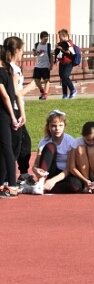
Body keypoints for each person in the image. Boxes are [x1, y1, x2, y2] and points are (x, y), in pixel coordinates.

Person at [24, 109, 77, 194]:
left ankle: (36, 188)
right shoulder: (44, 141)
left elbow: (69, 168)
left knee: (75, 185)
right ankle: (41, 183)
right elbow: (35, 165)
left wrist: (53, 181)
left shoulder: (70, 141)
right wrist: (36, 171)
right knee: (50, 146)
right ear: (48, 126)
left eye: (60, 125)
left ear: (65, 126)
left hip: (64, 174)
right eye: (54, 126)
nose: (57, 129)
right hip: (48, 173)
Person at [5, 37, 34, 182]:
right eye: (21, 50)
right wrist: (31, 86)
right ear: (16, 51)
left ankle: (23, 172)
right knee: (14, 146)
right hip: (14, 110)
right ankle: (6, 178)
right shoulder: (12, 69)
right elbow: (16, 93)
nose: (23, 53)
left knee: (25, 142)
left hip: (14, 109)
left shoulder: (9, 67)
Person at [0, 41, 20, 196]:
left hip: (3, 115)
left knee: (6, 148)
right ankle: (2, 182)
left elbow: (6, 96)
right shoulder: (8, 71)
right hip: (7, 114)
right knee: (3, 149)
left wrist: (13, 117)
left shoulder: (2, 73)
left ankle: (12, 183)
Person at [67, 121, 94, 193]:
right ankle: (87, 185)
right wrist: (85, 180)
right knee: (80, 149)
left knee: (92, 149)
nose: (91, 142)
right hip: (83, 174)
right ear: (83, 136)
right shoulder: (76, 143)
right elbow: (72, 167)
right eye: (88, 140)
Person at [54, 29, 77, 99]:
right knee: (62, 77)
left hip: (68, 62)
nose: (59, 38)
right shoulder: (61, 43)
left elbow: (70, 52)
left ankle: (73, 90)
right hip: (62, 62)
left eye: (60, 36)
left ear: (65, 36)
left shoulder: (69, 43)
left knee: (65, 76)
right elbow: (58, 52)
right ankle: (65, 94)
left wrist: (61, 48)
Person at [32, 31, 53, 100]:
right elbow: (34, 54)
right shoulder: (37, 44)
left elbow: (51, 55)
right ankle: (42, 91)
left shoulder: (48, 45)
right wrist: (35, 52)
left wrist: (51, 64)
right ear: (41, 38)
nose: (46, 40)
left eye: (47, 39)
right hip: (38, 65)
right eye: (45, 39)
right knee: (36, 80)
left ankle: (45, 95)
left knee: (47, 80)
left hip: (46, 65)